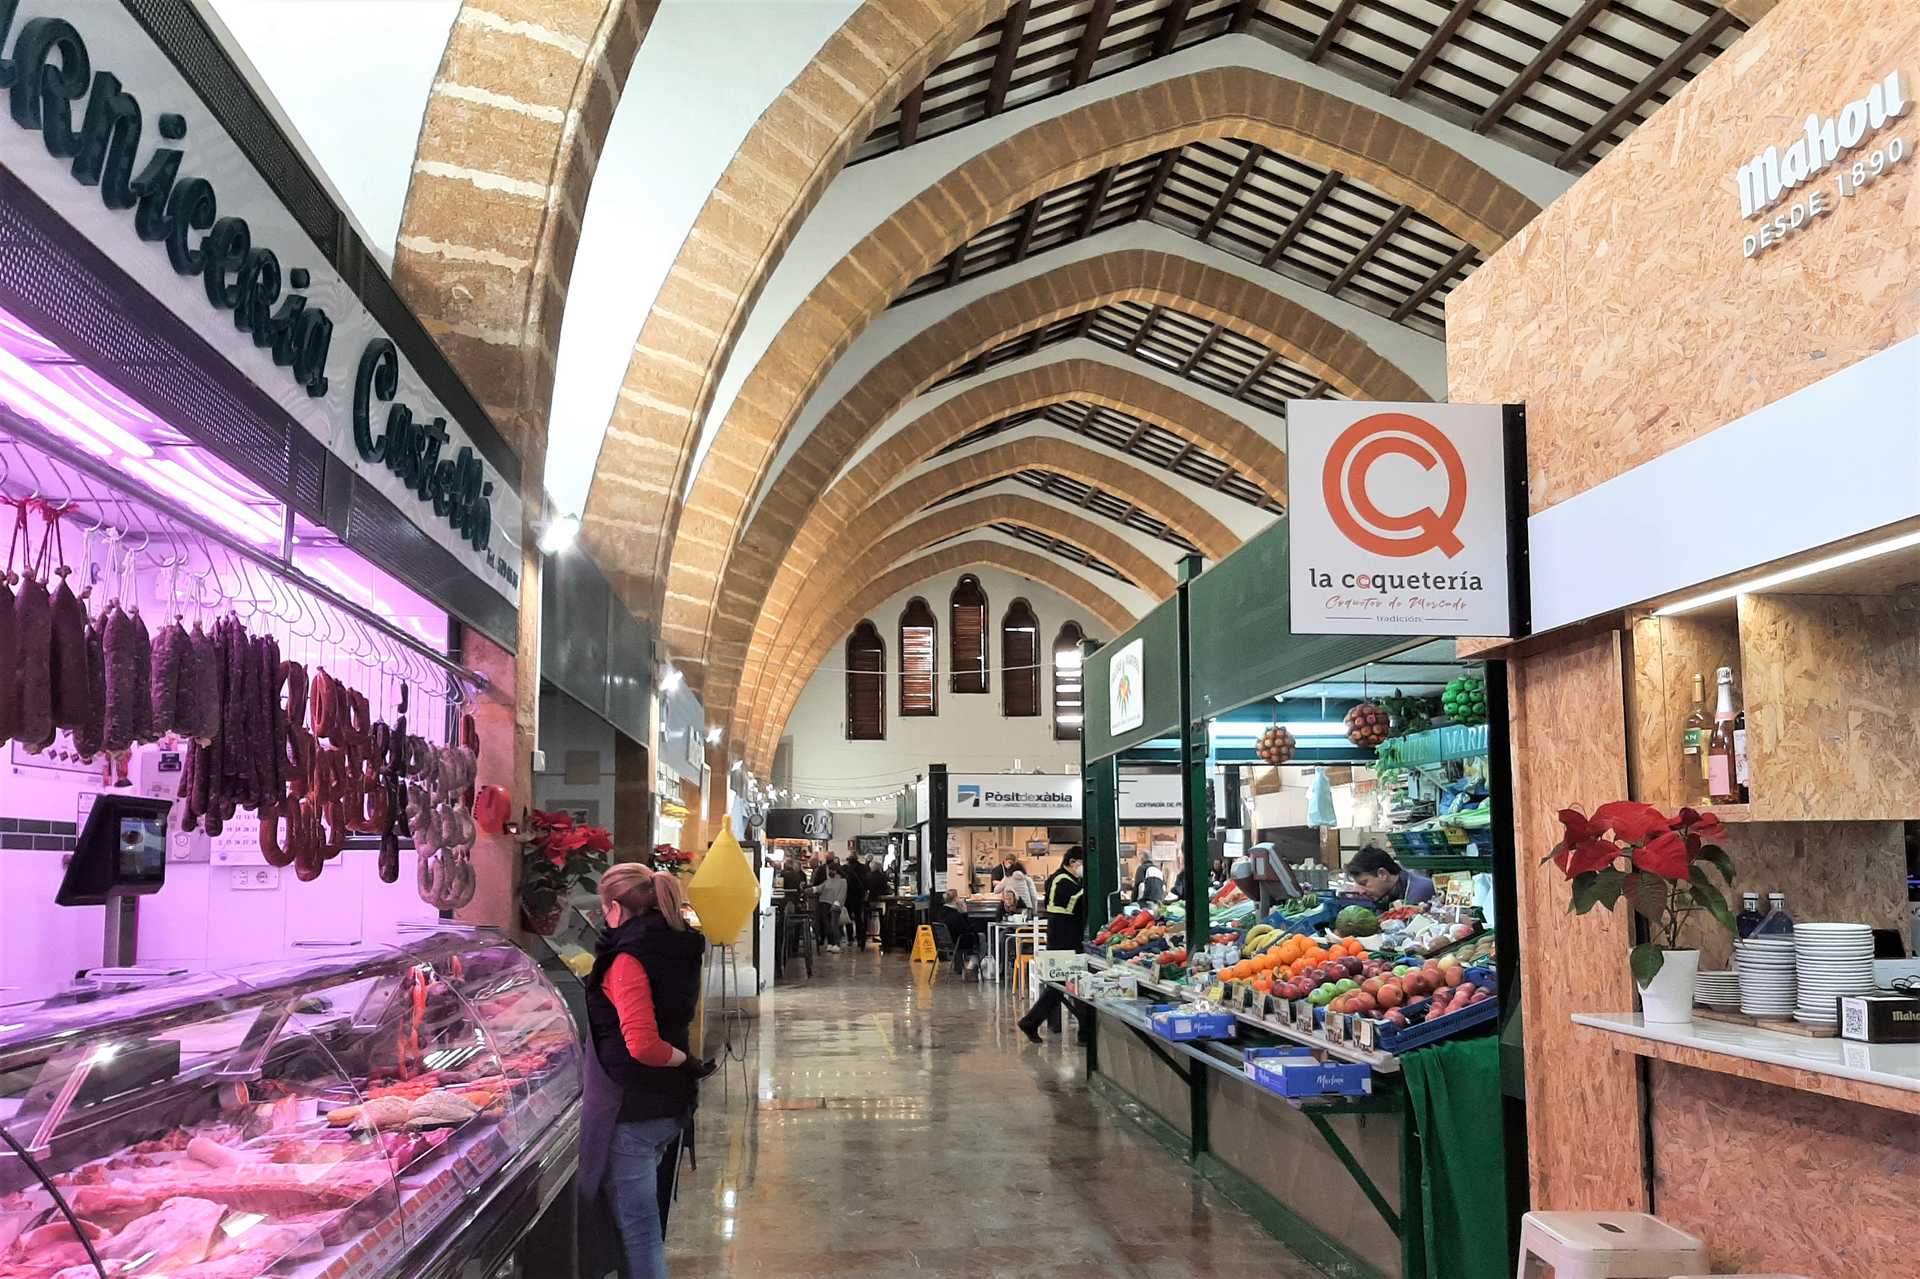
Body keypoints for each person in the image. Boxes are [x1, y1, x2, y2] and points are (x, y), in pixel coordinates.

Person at [579, 865, 713, 1279]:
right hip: (668, 1104)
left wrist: (684, 1062)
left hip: (635, 1107)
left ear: (617, 908)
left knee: (639, 1233)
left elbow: (643, 1045)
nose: (603, 918)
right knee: (644, 1222)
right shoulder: (678, 945)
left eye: (604, 908)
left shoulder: (627, 960)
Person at [1016, 847, 1089, 1044]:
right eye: (1083, 864)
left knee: (1063, 985)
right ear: (1073, 862)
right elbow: (1074, 902)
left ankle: (1031, 1022)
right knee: (1073, 982)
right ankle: (1083, 1033)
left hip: (1068, 936)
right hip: (1063, 937)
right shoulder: (1061, 880)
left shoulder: (1072, 880)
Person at [1345, 847, 1436, 908]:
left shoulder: (1420, 890)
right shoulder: (1387, 894)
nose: (1361, 891)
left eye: (1364, 883)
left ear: (1382, 874)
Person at [817, 862, 849, 951]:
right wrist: (811, 889)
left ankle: (837, 944)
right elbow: (820, 888)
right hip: (825, 903)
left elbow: (842, 894)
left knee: (834, 924)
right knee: (828, 925)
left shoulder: (842, 881)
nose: (829, 872)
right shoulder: (828, 881)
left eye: (831, 870)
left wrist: (837, 903)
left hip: (835, 905)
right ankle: (831, 943)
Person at [843, 850, 870, 949]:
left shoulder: (845, 868)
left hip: (848, 896)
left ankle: (850, 939)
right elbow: (867, 882)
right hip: (859, 897)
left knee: (848, 918)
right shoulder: (863, 868)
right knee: (859, 918)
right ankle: (860, 939)